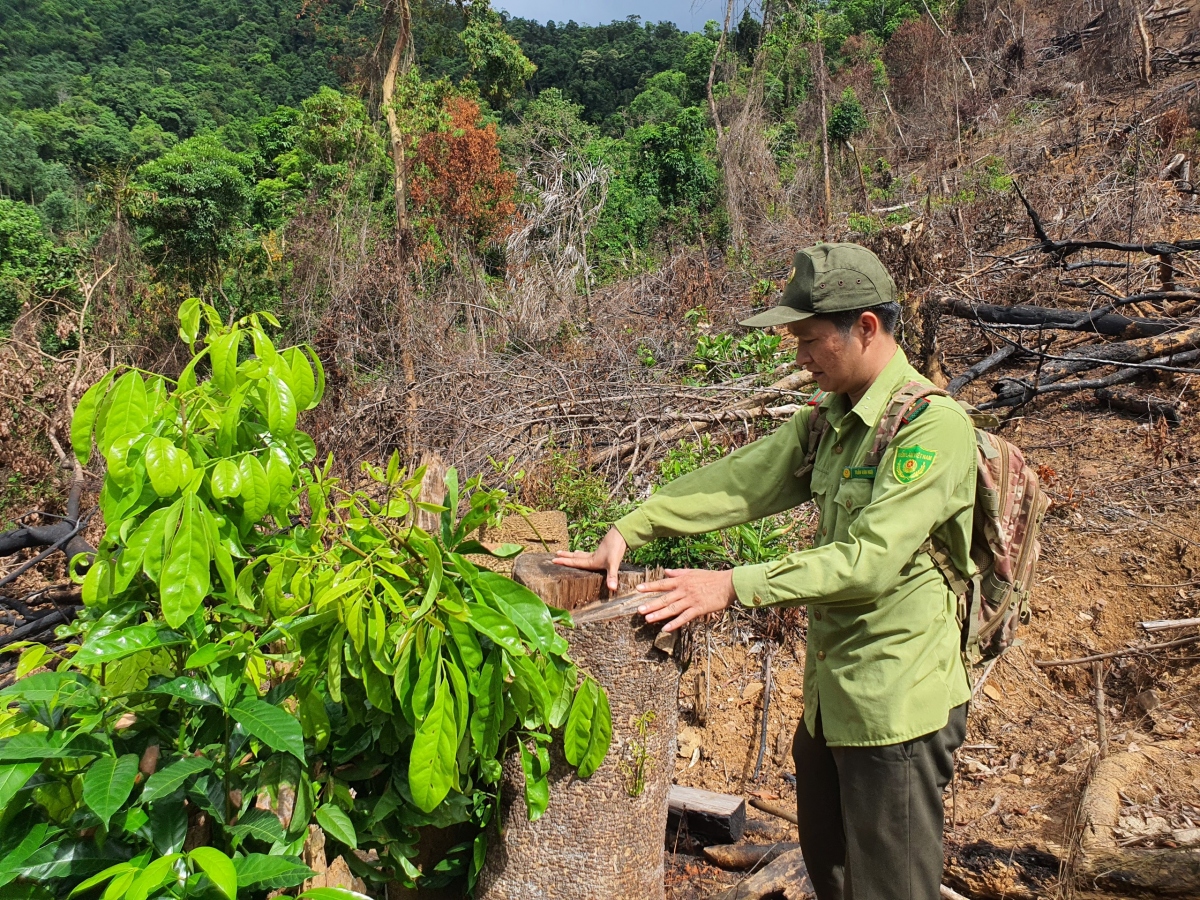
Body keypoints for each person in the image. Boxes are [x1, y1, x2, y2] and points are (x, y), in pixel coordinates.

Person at [555, 242, 975, 900]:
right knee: (832, 880)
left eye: (810, 341)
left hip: (896, 710)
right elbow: (742, 482)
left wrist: (729, 585)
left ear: (866, 327)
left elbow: (868, 563)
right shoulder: (831, 420)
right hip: (830, 706)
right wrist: (629, 527)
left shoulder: (931, 429)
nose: (801, 358)